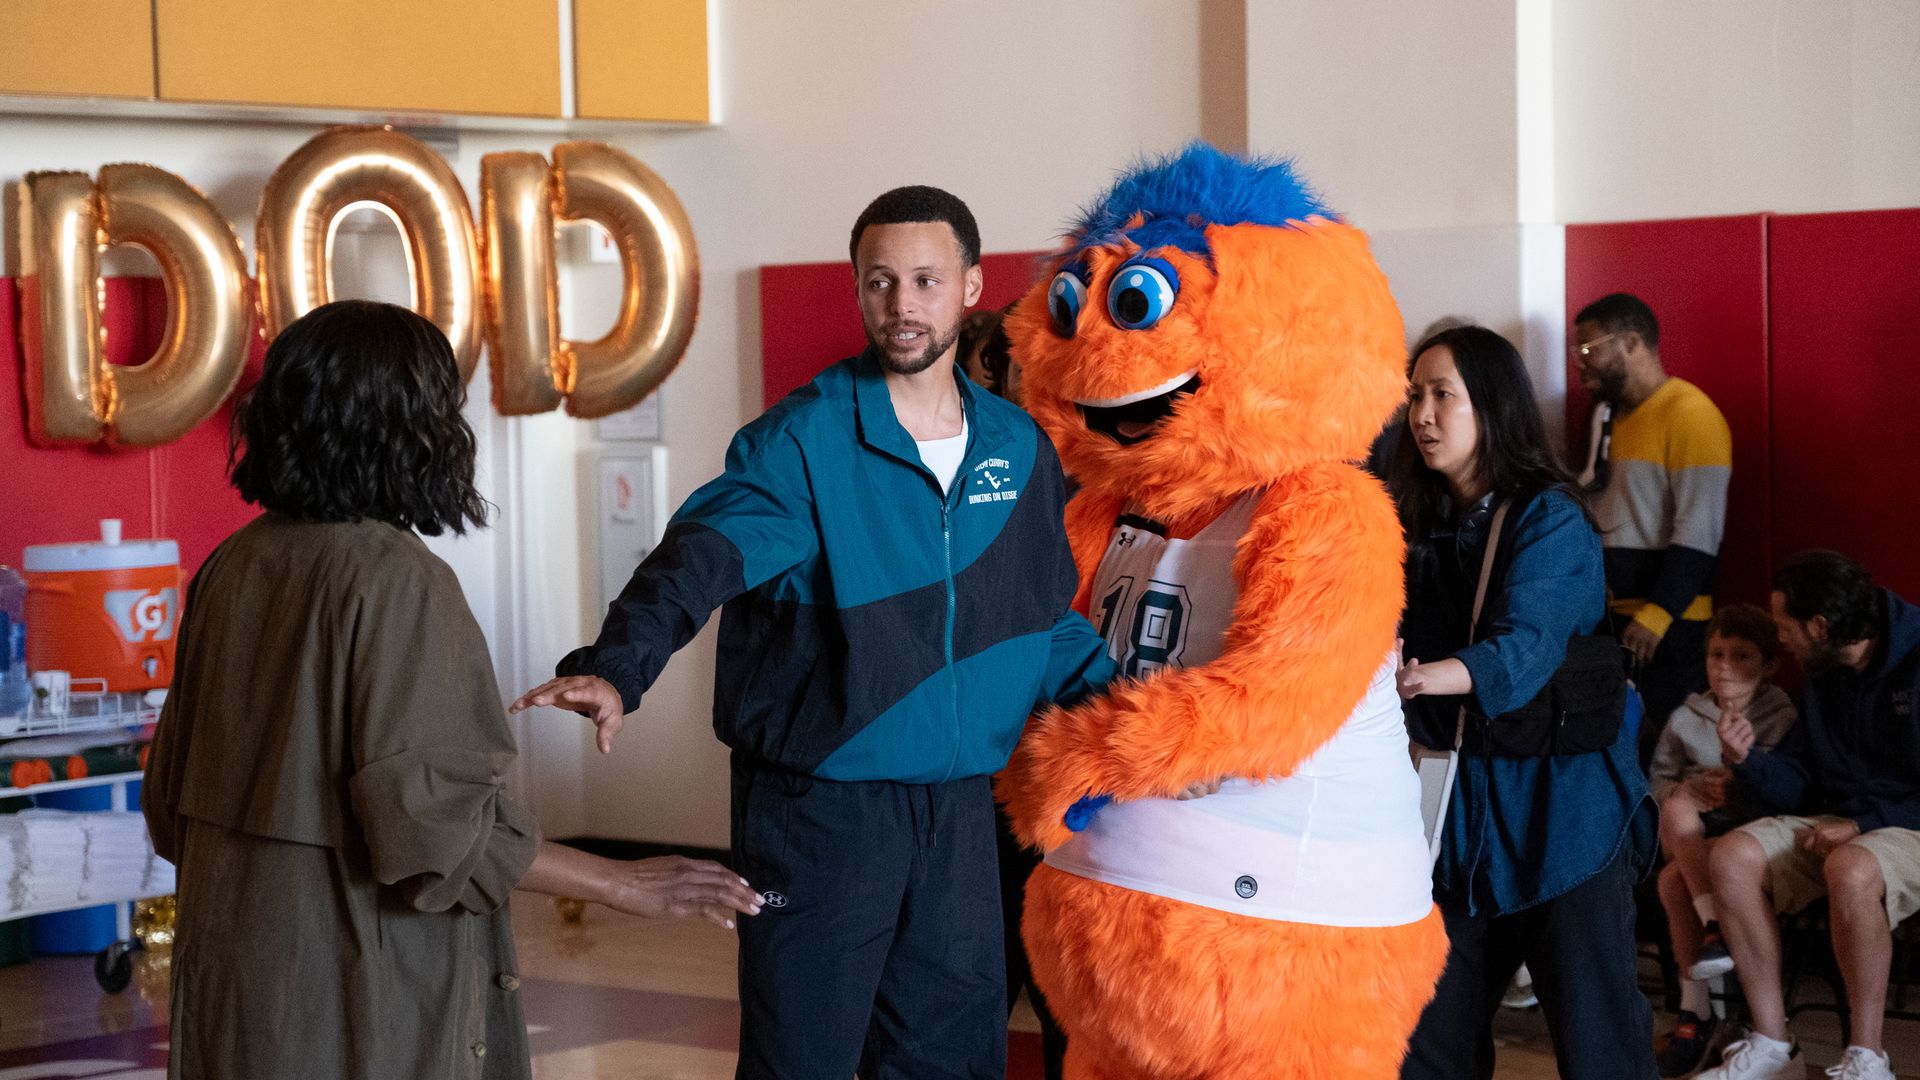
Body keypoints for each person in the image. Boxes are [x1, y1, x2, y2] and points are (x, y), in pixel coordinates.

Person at [511, 186, 1116, 1079]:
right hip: (820, 811)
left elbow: (1035, 622)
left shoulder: (1018, 449)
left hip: (957, 813)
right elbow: (699, 559)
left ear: (971, 285)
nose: (901, 304)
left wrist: (1154, 712)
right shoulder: (802, 441)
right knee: (806, 1062)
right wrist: (616, 666)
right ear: (858, 291)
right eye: (879, 282)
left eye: (923, 279)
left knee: (952, 1058)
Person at [143, 300, 761, 1080]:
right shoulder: (397, 580)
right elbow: (436, 836)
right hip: (354, 992)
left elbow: (169, 808)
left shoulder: (232, 565)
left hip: (228, 982)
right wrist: (621, 882)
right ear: (413, 425)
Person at [1394, 325, 1656, 1080]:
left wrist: (1422, 676)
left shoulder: (1550, 517)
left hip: (1564, 815)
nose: (1424, 413)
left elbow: (1530, 644)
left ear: (1495, 408)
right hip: (1458, 816)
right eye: (1416, 395)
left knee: (1596, 1039)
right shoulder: (1415, 520)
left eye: (1445, 394)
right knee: (1429, 1040)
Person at [1695, 551, 1920, 1080]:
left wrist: (1863, 825)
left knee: (1853, 866)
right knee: (1730, 856)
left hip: (1907, 823)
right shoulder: (1825, 673)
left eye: (1784, 626)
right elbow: (1797, 787)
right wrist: (1746, 760)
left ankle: (1867, 1059)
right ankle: (1774, 1045)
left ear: (1820, 626)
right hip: (1838, 820)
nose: (1782, 639)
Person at [955, 302, 1066, 1080]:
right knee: (965, 995)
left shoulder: (1089, 471)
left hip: (1064, 769)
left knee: (1070, 1007)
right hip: (979, 774)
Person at [1571, 293, 1732, 759]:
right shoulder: (1605, 417)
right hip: (1613, 620)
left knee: (1668, 757)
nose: (1581, 365)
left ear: (1632, 342)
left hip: (1667, 627)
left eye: (1589, 350)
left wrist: (1658, 615)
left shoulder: (1691, 415)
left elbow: (1700, 533)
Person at [1647, 603, 1798, 1077]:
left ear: (1769, 665)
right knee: (1674, 805)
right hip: (1690, 831)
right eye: (1716, 655)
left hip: (1748, 830)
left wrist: (1739, 781)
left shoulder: (1780, 714)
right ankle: (1713, 925)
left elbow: (1787, 788)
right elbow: (1656, 782)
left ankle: (1696, 1013)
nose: (1725, 667)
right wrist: (1683, 790)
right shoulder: (1687, 714)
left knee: (1672, 884)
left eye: (1741, 656)